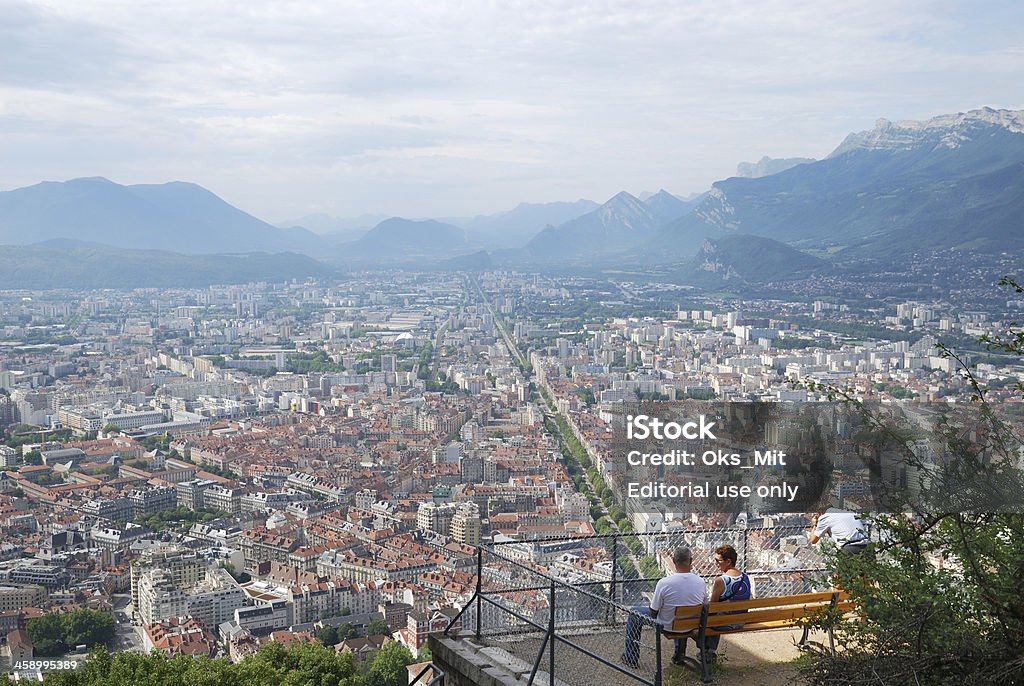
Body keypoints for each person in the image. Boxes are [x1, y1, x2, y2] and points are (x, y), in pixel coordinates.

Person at [622, 546, 706, 668]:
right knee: (681, 615)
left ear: (673, 561)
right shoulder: (701, 582)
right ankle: (678, 656)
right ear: (691, 561)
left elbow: (653, 610)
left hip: (667, 625)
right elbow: (704, 604)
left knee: (634, 612)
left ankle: (631, 658)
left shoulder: (664, 583)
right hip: (689, 625)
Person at [701, 544, 751, 662]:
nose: (715, 564)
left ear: (728, 561)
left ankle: (707, 651)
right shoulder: (745, 577)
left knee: (706, 617)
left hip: (724, 623)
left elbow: (712, 608)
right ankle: (710, 651)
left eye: (718, 561)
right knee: (717, 616)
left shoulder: (721, 581)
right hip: (740, 621)